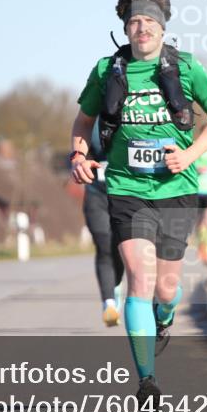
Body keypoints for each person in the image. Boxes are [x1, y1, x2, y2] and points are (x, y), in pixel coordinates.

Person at [70, 0, 207, 412]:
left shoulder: (186, 66)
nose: (141, 28)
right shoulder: (107, 70)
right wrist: (79, 155)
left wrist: (190, 155)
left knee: (166, 288)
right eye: (134, 22)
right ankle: (147, 382)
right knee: (139, 279)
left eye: (148, 21)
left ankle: (165, 315)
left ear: (162, 28)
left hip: (177, 190)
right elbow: (82, 122)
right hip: (127, 189)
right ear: (125, 28)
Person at [82, 119, 125, 326]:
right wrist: (80, 160)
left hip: (126, 195)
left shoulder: (132, 114)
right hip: (96, 195)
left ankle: (115, 287)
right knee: (104, 244)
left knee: (120, 246)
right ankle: (109, 303)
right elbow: (78, 149)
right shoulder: (91, 119)